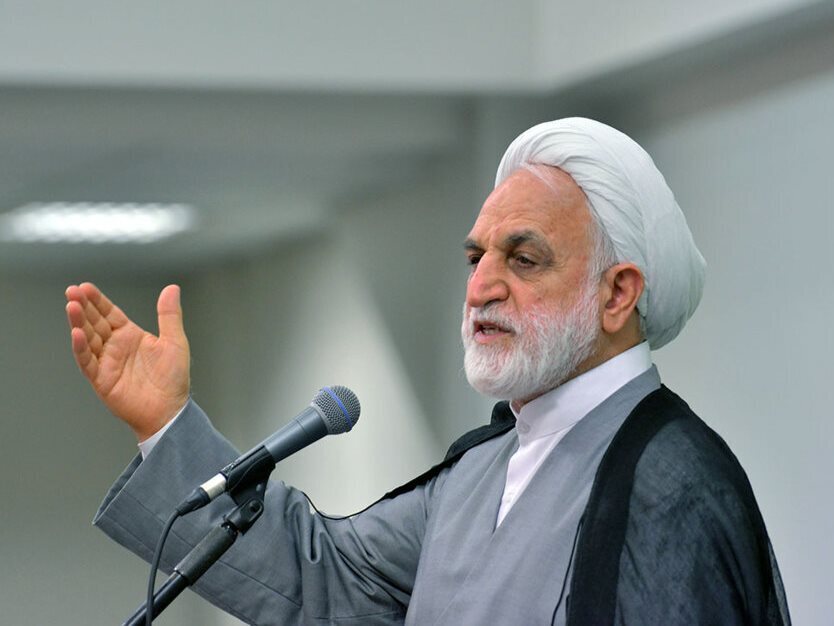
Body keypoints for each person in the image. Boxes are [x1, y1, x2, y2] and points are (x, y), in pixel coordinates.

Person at [66, 118, 790, 625]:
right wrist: (166, 424)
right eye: (477, 258)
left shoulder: (676, 487)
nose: (481, 287)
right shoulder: (483, 465)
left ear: (617, 294)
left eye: (524, 258)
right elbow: (324, 580)